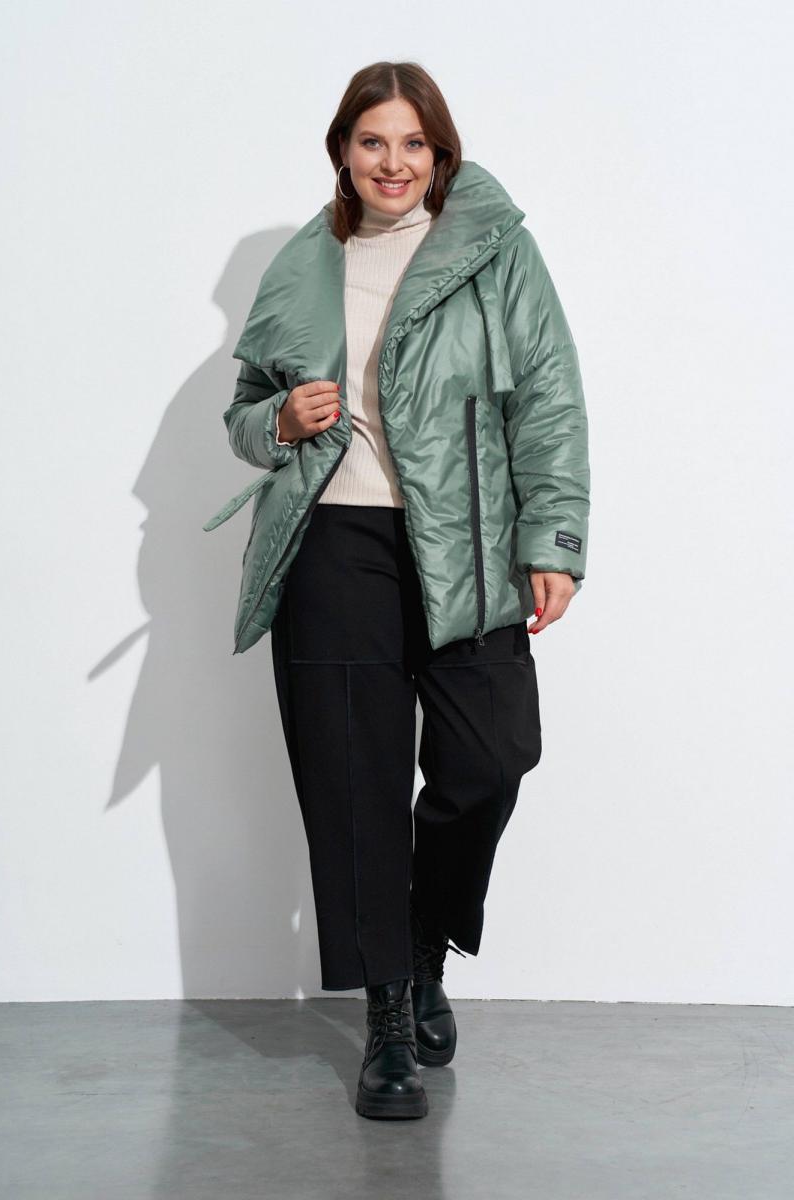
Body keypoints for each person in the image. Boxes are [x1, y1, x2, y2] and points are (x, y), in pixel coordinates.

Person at [204, 61, 591, 1121]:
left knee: (492, 757)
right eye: (372, 141)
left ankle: (423, 943)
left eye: (412, 143)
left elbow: (549, 398)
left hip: (467, 542)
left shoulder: (493, 251)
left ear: (439, 152)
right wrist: (279, 422)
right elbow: (243, 412)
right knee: (354, 782)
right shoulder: (303, 263)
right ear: (342, 150)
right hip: (334, 547)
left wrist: (552, 540)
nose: (393, 162)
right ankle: (387, 1019)